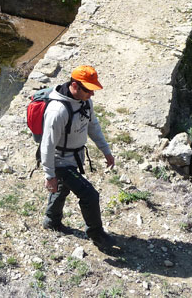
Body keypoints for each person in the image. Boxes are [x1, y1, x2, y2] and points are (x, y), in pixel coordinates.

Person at [41, 65, 116, 249]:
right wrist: (49, 175)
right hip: (60, 161)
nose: (92, 94)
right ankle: (97, 234)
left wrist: (106, 151)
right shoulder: (57, 111)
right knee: (90, 195)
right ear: (74, 86)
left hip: (75, 158)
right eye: (88, 90)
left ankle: (51, 220)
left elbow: (93, 126)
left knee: (62, 189)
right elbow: (47, 145)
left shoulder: (85, 102)